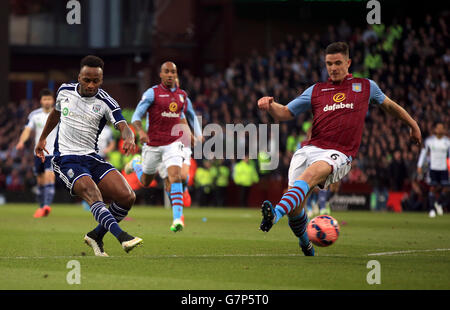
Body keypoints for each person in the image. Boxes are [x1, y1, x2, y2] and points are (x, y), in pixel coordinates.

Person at [257, 42, 421, 256]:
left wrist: (413, 125)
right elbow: (285, 113)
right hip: (308, 149)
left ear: (348, 62)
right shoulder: (316, 90)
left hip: (339, 153)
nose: (333, 68)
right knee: (296, 208)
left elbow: (389, 106)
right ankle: (305, 243)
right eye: (329, 64)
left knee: (310, 176)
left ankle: (274, 215)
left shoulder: (366, 86)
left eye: (337, 63)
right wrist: (270, 106)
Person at [35, 55, 143, 256]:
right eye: (87, 80)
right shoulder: (64, 91)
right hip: (66, 158)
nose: (91, 85)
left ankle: (95, 235)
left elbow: (122, 125)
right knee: (94, 194)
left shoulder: (106, 102)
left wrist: (129, 137)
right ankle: (122, 237)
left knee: (127, 197)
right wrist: (42, 139)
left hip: (92, 158)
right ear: (79, 77)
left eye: (96, 81)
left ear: (101, 81)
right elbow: (56, 114)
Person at [125, 61, 190, 232]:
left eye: (173, 72)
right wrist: (140, 132)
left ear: (176, 75)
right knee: (145, 182)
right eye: (166, 72)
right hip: (152, 144)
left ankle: (177, 219)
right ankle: (135, 164)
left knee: (175, 176)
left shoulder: (182, 96)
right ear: (160, 74)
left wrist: (189, 135)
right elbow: (136, 116)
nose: (170, 75)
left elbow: (181, 115)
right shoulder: (152, 93)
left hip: (173, 143)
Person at [16, 89, 57, 218]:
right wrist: (21, 142)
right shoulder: (35, 115)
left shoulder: (57, 114)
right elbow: (27, 130)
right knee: (40, 182)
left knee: (50, 176)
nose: (47, 102)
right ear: (41, 101)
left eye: (49, 99)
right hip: (38, 154)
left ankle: (46, 206)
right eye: (45, 99)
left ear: (53, 100)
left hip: (53, 152)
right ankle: (41, 207)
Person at [417, 122, 450, 217]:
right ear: (435, 129)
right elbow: (423, 153)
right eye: (438, 128)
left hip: (444, 168)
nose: (440, 130)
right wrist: (419, 165)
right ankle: (431, 209)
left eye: (441, 128)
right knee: (432, 188)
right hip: (433, 168)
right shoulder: (429, 141)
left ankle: (438, 203)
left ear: (444, 129)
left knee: (446, 188)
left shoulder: (448, 142)